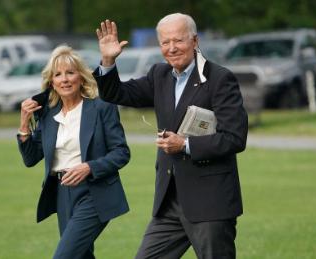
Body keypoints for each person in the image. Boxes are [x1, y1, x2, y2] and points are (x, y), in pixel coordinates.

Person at [94, 13, 248, 259]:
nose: (172, 48)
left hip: (210, 203)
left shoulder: (219, 78)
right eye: (165, 42)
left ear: (195, 41)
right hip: (169, 204)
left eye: (178, 40)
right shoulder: (159, 75)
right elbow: (116, 93)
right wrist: (108, 61)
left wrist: (185, 144)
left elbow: (234, 138)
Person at [17, 45, 130, 259]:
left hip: (95, 193)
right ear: (51, 82)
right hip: (62, 193)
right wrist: (24, 125)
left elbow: (121, 152)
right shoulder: (48, 115)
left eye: (70, 72)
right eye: (58, 75)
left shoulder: (101, 107)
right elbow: (31, 159)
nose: (65, 79)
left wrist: (89, 167)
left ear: (81, 77)